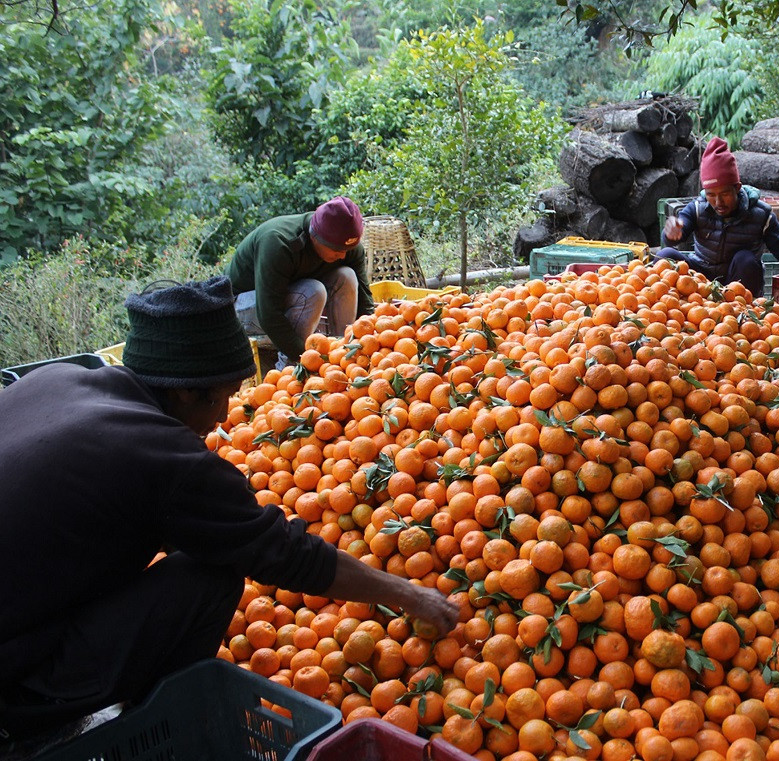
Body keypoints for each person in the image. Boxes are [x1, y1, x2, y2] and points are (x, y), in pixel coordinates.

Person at [0, 277, 459, 754]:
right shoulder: (163, 456)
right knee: (212, 577)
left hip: (25, 610)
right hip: (15, 678)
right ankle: (154, 720)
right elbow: (282, 554)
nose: (224, 417)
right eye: (223, 396)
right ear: (184, 393)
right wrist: (410, 595)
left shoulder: (55, 380)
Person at [656, 138, 779, 297]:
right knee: (666, 255)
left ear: (737, 187)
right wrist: (671, 233)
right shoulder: (697, 209)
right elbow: (676, 234)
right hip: (701, 280)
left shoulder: (761, 215)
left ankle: (745, 316)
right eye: (711, 195)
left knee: (745, 259)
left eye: (724, 194)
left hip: (738, 285)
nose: (718, 202)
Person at [227, 196, 375, 370]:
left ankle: (342, 354)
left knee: (347, 276)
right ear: (315, 237)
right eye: (336, 250)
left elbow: (365, 303)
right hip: (242, 307)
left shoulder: (347, 247)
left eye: (347, 250)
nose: (342, 255)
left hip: (289, 297)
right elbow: (269, 314)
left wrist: (371, 342)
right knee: (313, 291)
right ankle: (289, 372)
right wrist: (308, 360)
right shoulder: (279, 243)